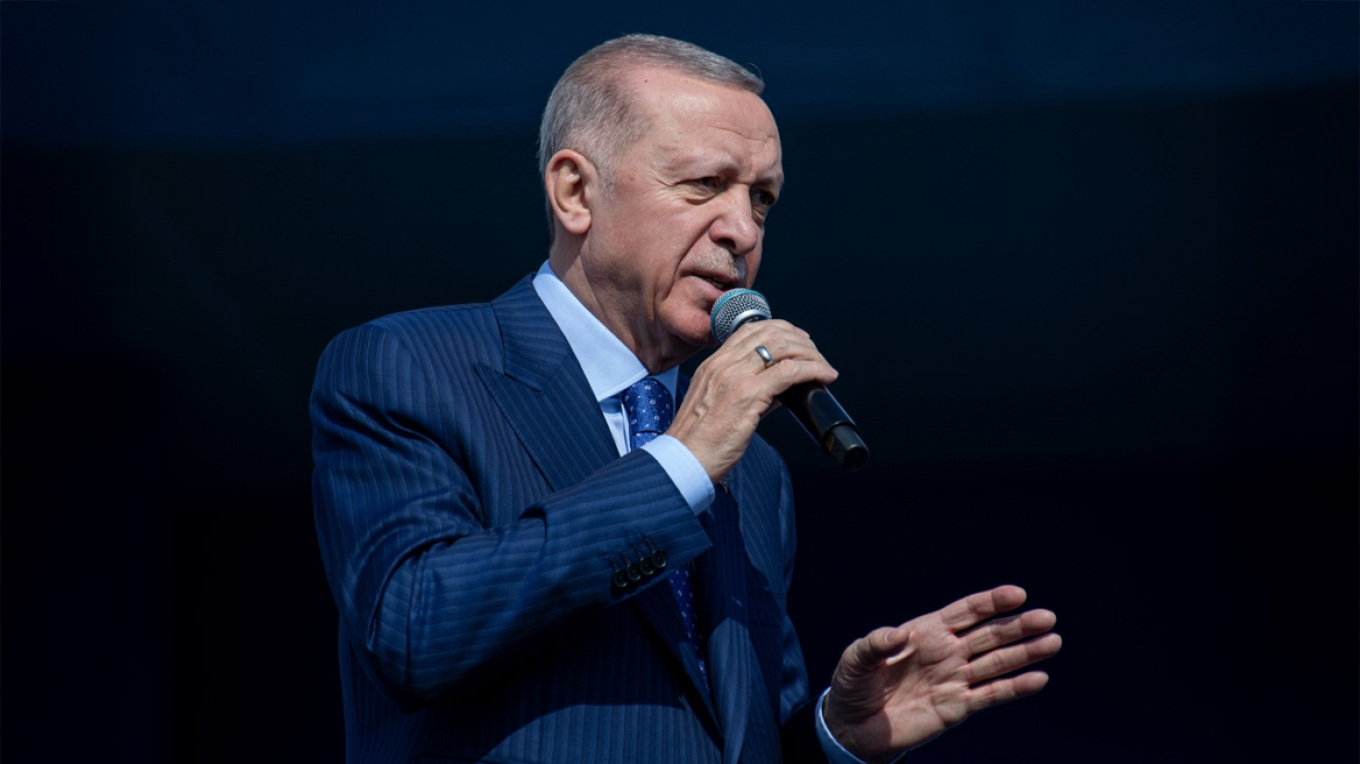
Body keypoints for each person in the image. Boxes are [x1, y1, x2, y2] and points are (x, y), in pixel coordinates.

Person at [311, 34, 1061, 764]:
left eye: (762, 199)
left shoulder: (755, 472)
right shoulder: (409, 365)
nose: (742, 230)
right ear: (576, 192)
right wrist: (679, 465)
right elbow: (411, 631)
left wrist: (838, 735)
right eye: (705, 184)